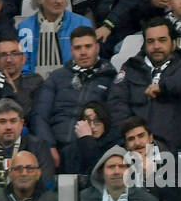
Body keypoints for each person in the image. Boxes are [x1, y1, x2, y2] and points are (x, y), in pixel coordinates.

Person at [108, 16, 181, 151]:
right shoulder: (131, 68)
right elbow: (116, 104)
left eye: (162, 40)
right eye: (151, 41)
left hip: (178, 147)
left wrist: (164, 87)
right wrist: (132, 136)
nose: (156, 46)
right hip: (137, 147)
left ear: (172, 43)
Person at [32, 26, 118, 155]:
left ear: (97, 48)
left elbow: (114, 120)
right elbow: (40, 115)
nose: (83, 52)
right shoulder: (56, 77)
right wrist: (49, 145)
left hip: (91, 148)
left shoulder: (110, 78)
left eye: (88, 46)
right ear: (71, 50)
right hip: (55, 148)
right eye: (78, 48)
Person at [16, 0, 95, 73]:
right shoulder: (26, 28)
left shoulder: (82, 24)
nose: (59, 0)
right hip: (35, 84)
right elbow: (23, 67)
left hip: (73, 83)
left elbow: (91, 63)